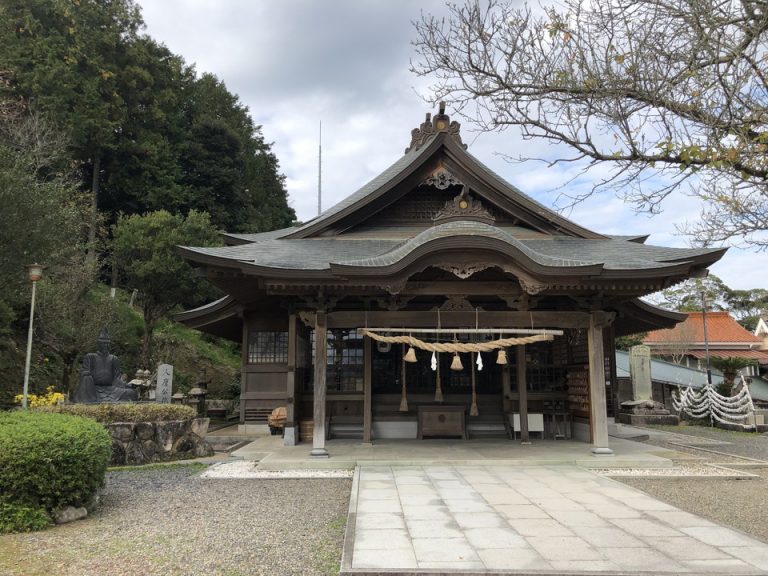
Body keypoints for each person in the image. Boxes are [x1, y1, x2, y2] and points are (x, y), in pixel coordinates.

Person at [72, 327, 138, 403]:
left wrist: (128, 385)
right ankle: (92, 399)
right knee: (86, 379)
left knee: (132, 393)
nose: (105, 345)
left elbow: (116, 379)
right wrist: (86, 373)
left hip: (112, 390)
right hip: (93, 389)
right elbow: (84, 372)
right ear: (98, 344)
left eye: (107, 343)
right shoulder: (90, 357)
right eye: (102, 343)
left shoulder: (114, 359)